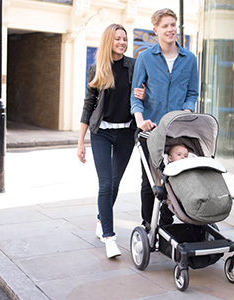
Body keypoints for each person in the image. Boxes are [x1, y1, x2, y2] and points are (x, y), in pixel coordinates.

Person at [77, 24, 145, 258]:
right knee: (105, 184)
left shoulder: (133, 66)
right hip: (102, 133)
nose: (122, 43)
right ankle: (109, 237)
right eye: (117, 39)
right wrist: (80, 142)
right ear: (109, 41)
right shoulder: (97, 69)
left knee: (115, 185)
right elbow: (88, 105)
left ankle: (100, 219)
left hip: (126, 133)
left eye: (124, 39)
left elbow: (143, 92)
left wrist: (143, 94)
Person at [130, 8, 199, 228]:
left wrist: (186, 114)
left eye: (173, 25)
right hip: (150, 129)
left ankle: (166, 226)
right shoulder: (146, 58)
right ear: (155, 30)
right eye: (165, 26)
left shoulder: (189, 59)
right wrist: (140, 120)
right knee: (149, 181)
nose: (170, 30)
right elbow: (136, 96)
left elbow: (192, 93)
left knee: (173, 177)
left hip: (177, 131)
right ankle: (148, 224)